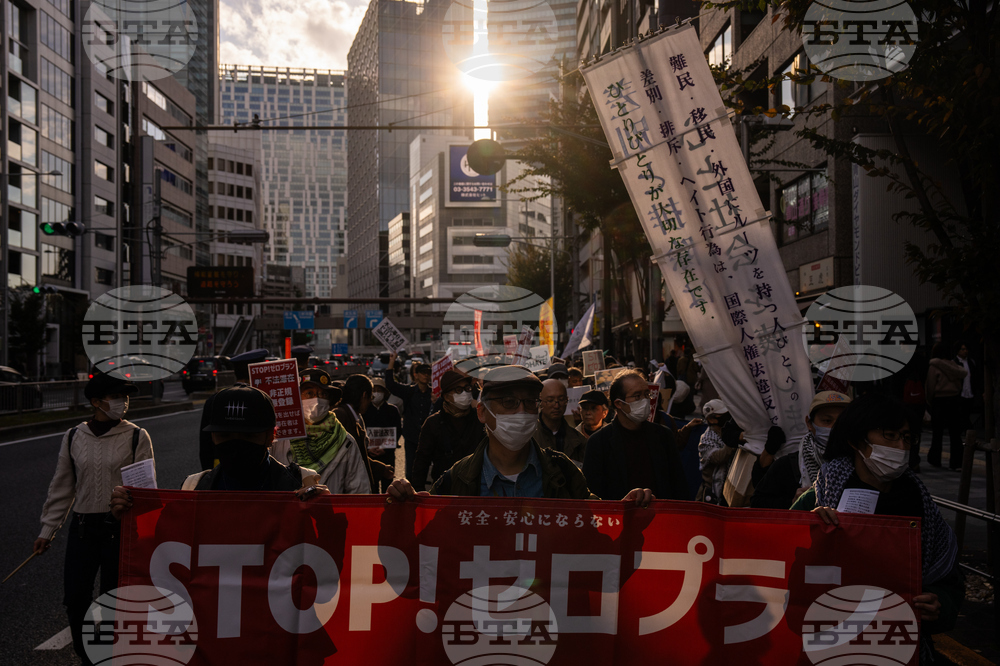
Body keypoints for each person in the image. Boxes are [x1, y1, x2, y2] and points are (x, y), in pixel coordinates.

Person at [791, 392, 964, 663]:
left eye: (907, 438)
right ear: (857, 441)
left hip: (895, 646)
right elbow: (780, 557)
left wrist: (939, 603)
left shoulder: (922, 505)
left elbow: (949, 580)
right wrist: (809, 527)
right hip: (826, 642)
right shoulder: (819, 497)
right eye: (890, 435)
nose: (901, 447)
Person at [386, 365, 653, 505]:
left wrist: (623, 510)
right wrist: (406, 500)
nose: (522, 412)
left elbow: (595, 526)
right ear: (482, 413)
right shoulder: (456, 480)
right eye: (509, 402)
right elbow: (427, 541)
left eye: (529, 403)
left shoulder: (563, 472)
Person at [34, 373, 153, 665]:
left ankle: (106, 656)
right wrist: (47, 530)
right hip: (83, 527)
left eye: (125, 397)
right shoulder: (75, 435)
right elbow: (63, 484)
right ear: (96, 402)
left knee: (112, 600)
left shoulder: (137, 435)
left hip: (119, 528)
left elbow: (148, 491)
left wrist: (145, 530)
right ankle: (86, 652)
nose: (122, 403)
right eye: (116, 397)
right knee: (75, 599)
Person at [583, 369, 688, 501]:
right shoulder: (599, 442)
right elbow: (593, 494)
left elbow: (678, 485)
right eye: (637, 396)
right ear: (619, 403)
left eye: (646, 395)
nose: (644, 401)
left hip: (660, 516)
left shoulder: (663, 435)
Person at [271, 368, 370, 494]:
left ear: (329, 401)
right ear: (296, 398)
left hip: (329, 513)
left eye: (323, 394)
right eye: (309, 393)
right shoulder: (278, 438)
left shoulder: (345, 441)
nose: (317, 400)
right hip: (288, 512)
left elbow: (359, 492)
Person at [750, 391, 851, 509]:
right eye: (827, 421)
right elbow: (757, 503)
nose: (835, 428)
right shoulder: (787, 466)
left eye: (842, 422)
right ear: (809, 423)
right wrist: (792, 502)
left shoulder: (863, 464)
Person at [411, 370, 485, 491]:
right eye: (458, 390)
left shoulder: (480, 419)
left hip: (476, 489)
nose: (465, 394)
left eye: (467, 388)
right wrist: (418, 493)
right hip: (444, 490)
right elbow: (422, 461)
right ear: (446, 396)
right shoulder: (433, 423)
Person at [198, 347, 268, 470]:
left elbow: (205, 445)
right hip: (258, 469)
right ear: (256, 372)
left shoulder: (214, 400)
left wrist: (208, 476)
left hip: (221, 469)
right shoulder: (262, 401)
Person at [335, 373, 394, 492]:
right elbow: (351, 459)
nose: (370, 402)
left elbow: (357, 456)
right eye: (371, 397)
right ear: (364, 395)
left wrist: (381, 468)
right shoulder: (341, 416)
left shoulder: (353, 416)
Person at [385, 352, 434, 479]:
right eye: (423, 373)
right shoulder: (409, 391)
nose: (426, 375)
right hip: (411, 437)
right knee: (410, 471)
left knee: (428, 471)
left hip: (429, 438)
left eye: (428, 373)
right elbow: (390, 384)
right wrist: (392, 361)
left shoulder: (434, 394)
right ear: (416, 375)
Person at [925, 342, 968, 469]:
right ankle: (956, 462)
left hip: (939, 400)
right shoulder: (954, 365)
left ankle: (935, 459)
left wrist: (929, 400)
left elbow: (930, 386)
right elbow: (960, 382)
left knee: (937, 433)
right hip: (954, 400)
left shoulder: (933, 366)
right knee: (955, 433)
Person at [534, 378, 589, 465]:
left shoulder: (579, 440)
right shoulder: (529, 439)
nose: (556, 405)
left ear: (566, 401)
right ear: (540, 402)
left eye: (561, 399)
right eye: (550, 400)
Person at [363, 376, 402, 491]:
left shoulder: (393, 410)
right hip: (370, 456)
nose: (376, 393)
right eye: (374, 390)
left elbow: (398, 431)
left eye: (379, 390)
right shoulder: (364, 410)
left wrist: (386, 449)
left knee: (388, 487)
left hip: (388, 455)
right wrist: (367, 449)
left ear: (385, 393)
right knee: (372, 487)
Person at [695, 400, 736, 504]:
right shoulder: (706, 438)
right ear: (712, 419)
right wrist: (732, 440)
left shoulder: (725, 432)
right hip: (712, 493)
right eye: (723, 415)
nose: (728, 417)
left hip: (728, 490)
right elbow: (718, 457)